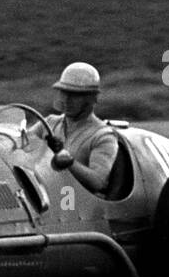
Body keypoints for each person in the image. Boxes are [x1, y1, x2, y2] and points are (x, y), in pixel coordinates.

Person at [43, 62, 118, 196]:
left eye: (75, 95)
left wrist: (68, 161)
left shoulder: (103, 136)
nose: (66, 99)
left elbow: (98, 181)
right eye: (64, 92)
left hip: (77, 205)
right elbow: (19, 143)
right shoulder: (49, 123)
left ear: (92, 98)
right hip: (46, 195)